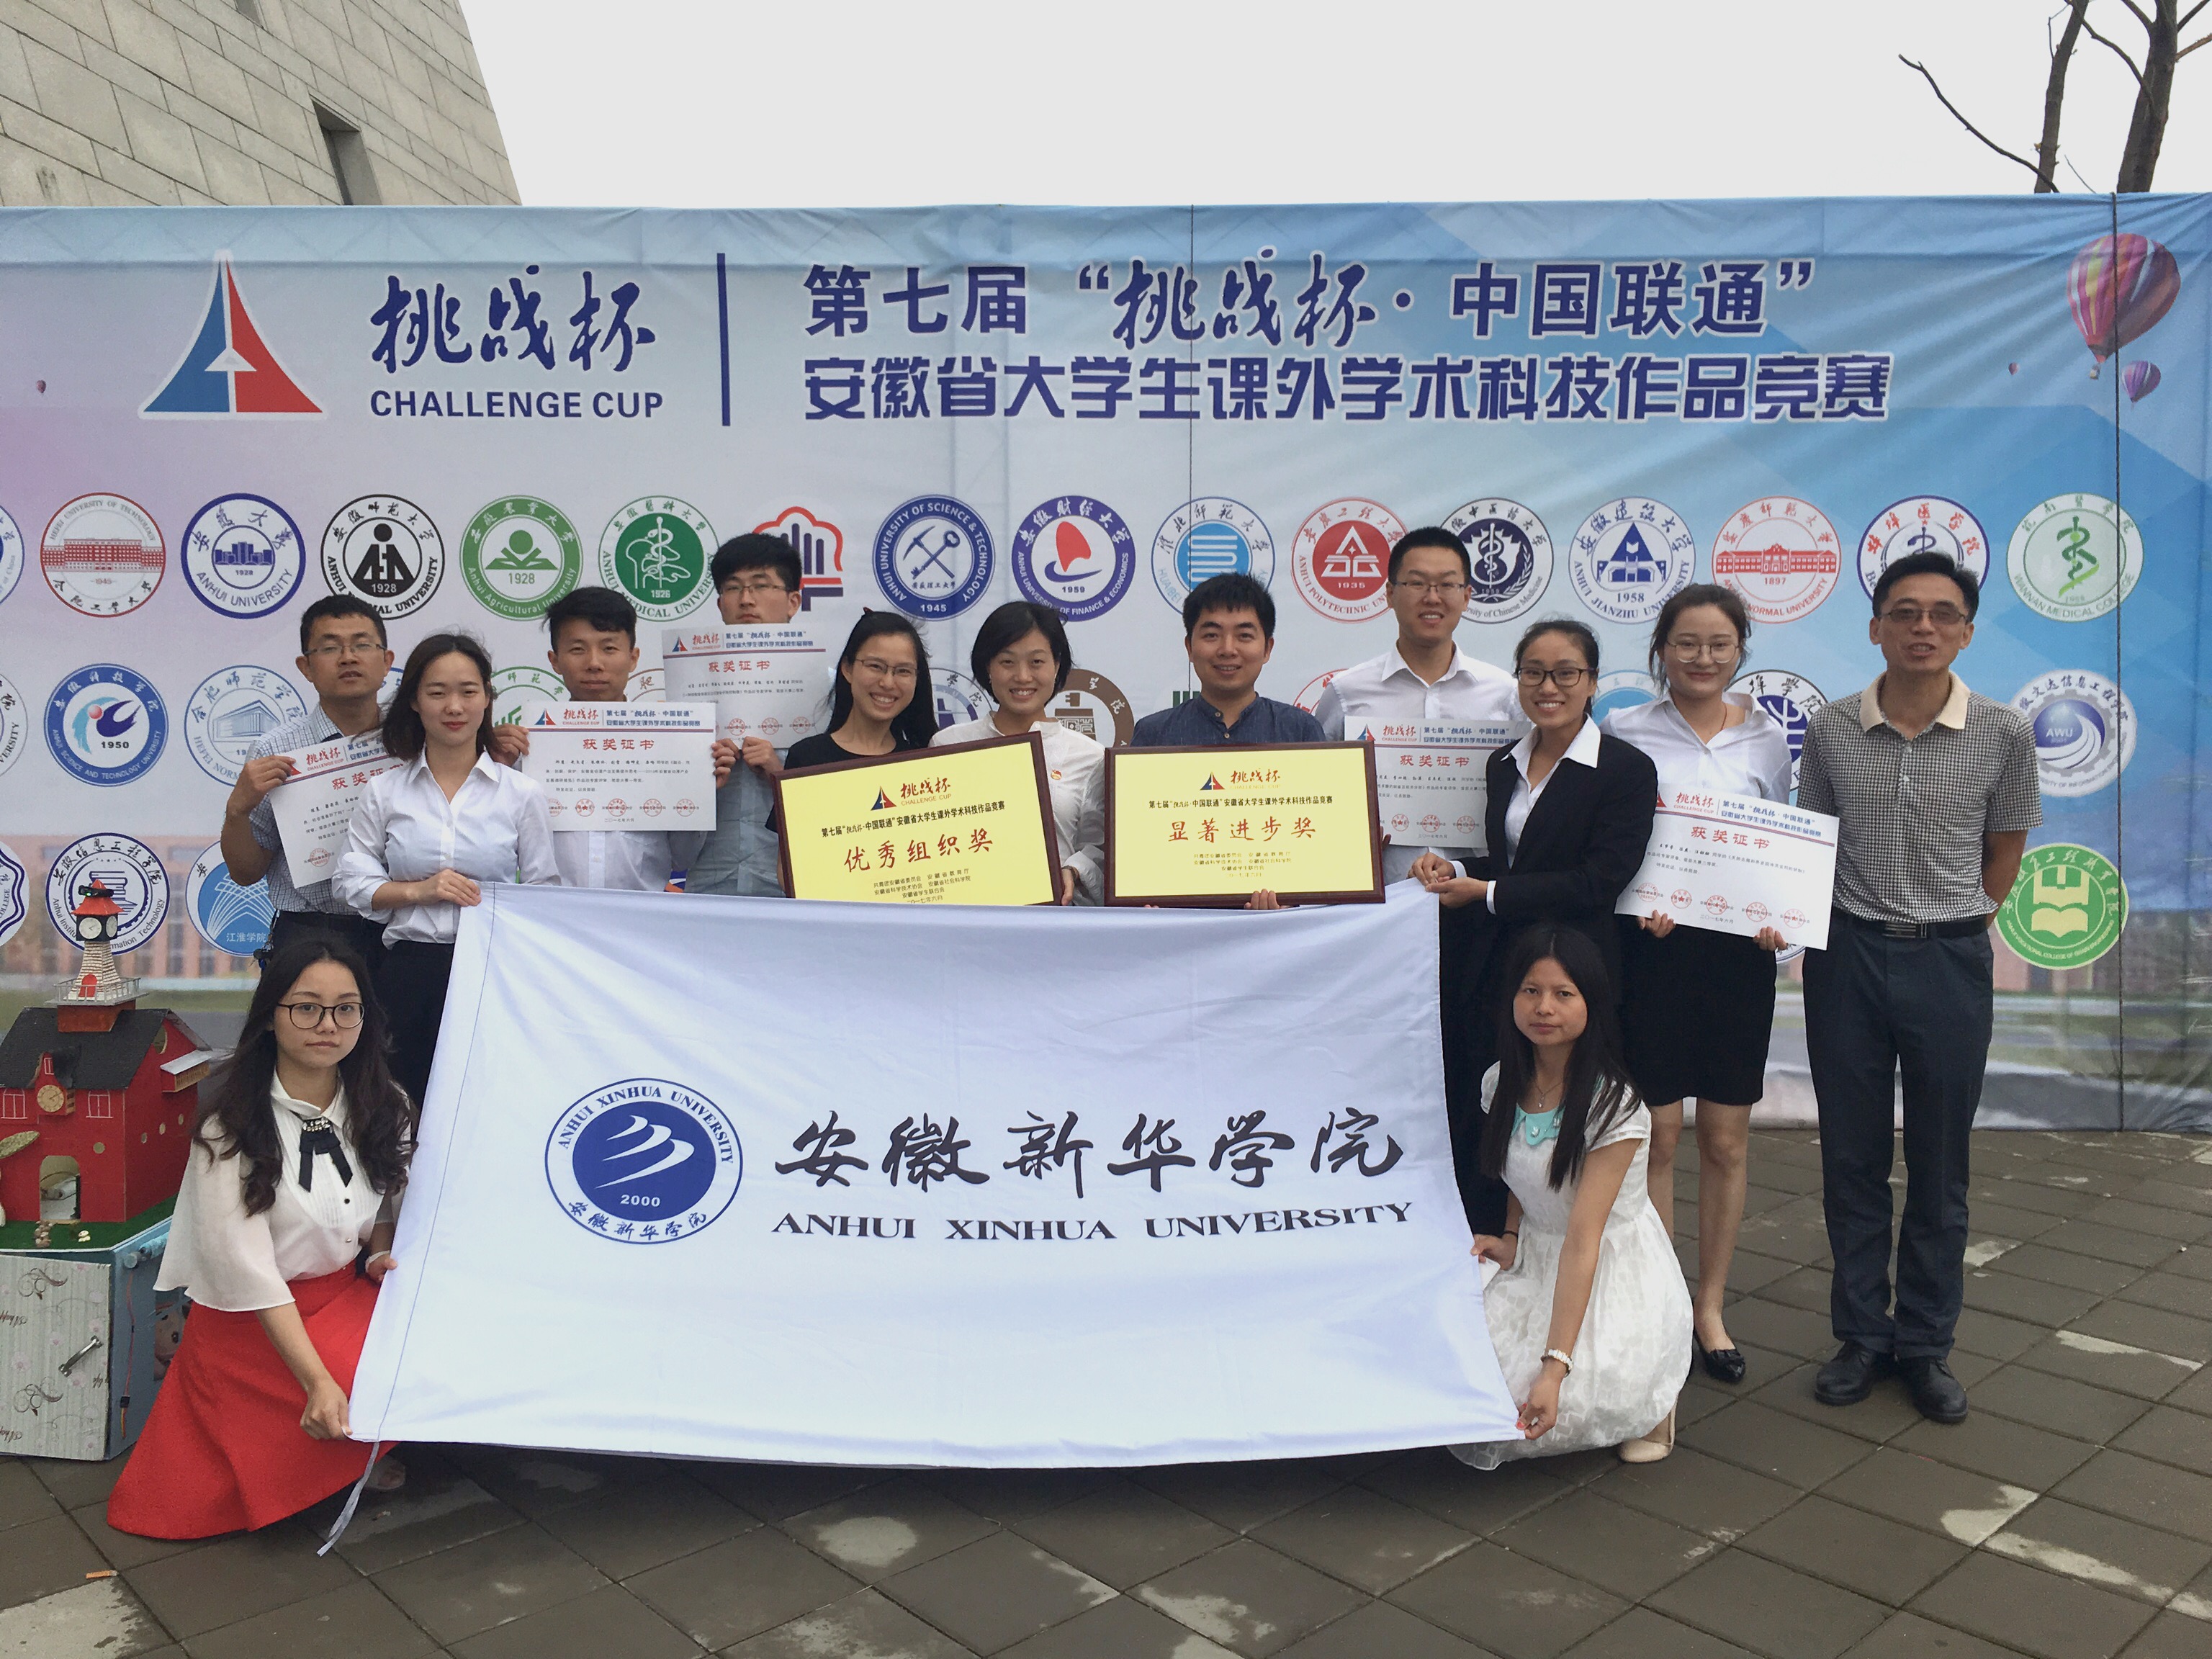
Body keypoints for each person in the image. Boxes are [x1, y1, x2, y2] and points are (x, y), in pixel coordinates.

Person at [1797, 552, 2038, 1425]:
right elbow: (1810, 848)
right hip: (1847, 960)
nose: (1923, 627)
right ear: (1876, 628)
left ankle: (1927, 1344)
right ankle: (1863, 1335)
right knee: (1852, 1158)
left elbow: (2004, 855)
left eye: (1942, 614)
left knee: (1940, 1164)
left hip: (1949, 962)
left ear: (1966, 632)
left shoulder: (2004, 733)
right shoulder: (1830, 729)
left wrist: (1954, 924)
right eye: (1904, 612)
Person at [107, 938, 411, 1538]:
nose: (328, 1025)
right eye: (307, 1007)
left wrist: (378, 1251)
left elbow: (387, 1199)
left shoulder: (386, 1104)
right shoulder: (230, 1131)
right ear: (271, 1016)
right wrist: (317, 1380)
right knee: (344, 1379)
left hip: (341, 1295)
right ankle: (332, 1457)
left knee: (425, 1345)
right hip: (252, 1323)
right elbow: (248, 1273)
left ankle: (347, 1455)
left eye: (346, 1009)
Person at [1602, 585, 1791, 1388]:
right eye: (1686, 643)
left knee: (1724, 1139)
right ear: (1661, 650)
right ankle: (1660, 1302)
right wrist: (1639, 897)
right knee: (1658, 1134)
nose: (1702, 658)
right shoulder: (1624, 731)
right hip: (1652, 954)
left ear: (1740, 650)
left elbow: (1780, 850)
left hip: (1737, 961)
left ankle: (1709, 1307)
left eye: (1719, 645)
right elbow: (1615, 841)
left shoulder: (1768, 740)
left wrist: (1779, 919)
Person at [1416, 619, 1657, 1233]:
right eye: (1534, 673)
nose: (1549, 687)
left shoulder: (1625, 769)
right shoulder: (1504, 762)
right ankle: (1492, 1236)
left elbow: (1599, 880)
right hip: (1506, 964)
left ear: (1593, 682)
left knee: (1566, 1110)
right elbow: (1513, 863)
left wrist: (1488, 892)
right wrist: (1455, 869)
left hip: (1578, 968)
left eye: (1565, 673)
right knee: (1496, 1102)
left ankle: (1566, 1246)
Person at [1316, 527, 1524, 1236]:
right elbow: (1323, 796)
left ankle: (1475, 1222)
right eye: (1416, 582)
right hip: (1379, 915)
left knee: (1474, 1072)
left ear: (1468, 595)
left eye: (1447, 584)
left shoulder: (1504, 694)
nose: (1431, 597)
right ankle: (1378, 1217)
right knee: (1380, 1069)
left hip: (1474, 911)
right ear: (1390, 593)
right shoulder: (1347, 693)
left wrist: (1470, 874)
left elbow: (1523, 803)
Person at [1451, 927, 1691, 1469]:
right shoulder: (1501, 1081)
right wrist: (1511, 1238)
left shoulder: (1615, 1105)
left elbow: (1584, 1240)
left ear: (1592, 1003)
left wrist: (1554, 1368)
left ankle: (1655, 1395)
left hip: (1605, 1267)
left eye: (1564, 994)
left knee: (1537, 1405)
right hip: (1537, 1254)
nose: (1544, 1008)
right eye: (1531, 991)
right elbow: (1523, 1177)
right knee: (1462, 1377)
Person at [334, 634, 559, 1105]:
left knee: (488, 1102)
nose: (454, 706)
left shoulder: (521, 794)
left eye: (468, 691)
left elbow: (544, 893)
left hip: (493, 971)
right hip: (408, 970)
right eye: (437, 692)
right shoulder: (385, 791)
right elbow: (350, 882)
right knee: (402, 1104)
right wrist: (419, 891)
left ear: (488, 698)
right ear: (415, 701)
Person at [486, 585, 713, 891]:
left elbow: (684, 857)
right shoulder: (523, 749)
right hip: (550, 914)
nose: (594, 663)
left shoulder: (670, 745)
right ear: (555, 660)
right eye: (578, 649)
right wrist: (496, 773)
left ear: (633, 658)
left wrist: (699, 787)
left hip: (639, 913)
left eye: (609, 648)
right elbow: (494, 850)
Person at [219, 595, 397, 962]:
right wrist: (237, 810)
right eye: (330, 648)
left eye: (363, 645)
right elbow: (246, 873)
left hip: (403, 931)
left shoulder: (415, 740)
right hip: (310, 935)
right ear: (306, 667)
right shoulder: (276, 749)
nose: (348, 658)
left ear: (387, 661)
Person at [935, 601, 1104, 904]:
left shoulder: (1091, 757)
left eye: (1037, 662)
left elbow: (1101, 847)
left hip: (1055, 920)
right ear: (988, 667)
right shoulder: (947, 746)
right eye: (1007, 662)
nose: (1023, 677)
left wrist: (1075, 870)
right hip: (967, 915)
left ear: (1056, 666)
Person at [689, 534, 819, 897]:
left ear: (793, 601)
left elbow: (842, 801)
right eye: (733, 588)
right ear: (720, 604)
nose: (746, 599)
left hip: (792, 884)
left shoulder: (827, 691)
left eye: (761, 586)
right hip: (710, 881)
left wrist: (782, 776)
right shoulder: (688, 689)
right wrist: (697, 770)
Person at [1130, 573, 1326, 749]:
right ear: (1189, 647)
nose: (1227, 650)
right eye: (1211, 635)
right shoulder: (1154, 735)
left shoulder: (1300, 731)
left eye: (1244, 636)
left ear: (1267, 649)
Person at [781, 611, 940, 775]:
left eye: (903, 671)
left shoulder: (923, 764)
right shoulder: (806, 758)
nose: (887, 683)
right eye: (875, 666)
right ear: (847, 668)